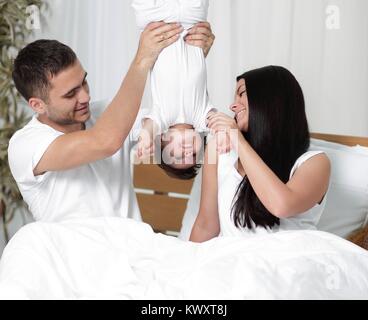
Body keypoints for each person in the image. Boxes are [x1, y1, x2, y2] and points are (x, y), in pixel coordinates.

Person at [8, 21, 214, 222]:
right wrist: (142, 60)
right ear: (37, 105)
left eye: (84, 82)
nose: (85, 97)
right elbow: (104, 142)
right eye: (71, 94)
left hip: (132, 249)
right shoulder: (26, 145)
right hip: (77, 254)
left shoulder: (106, 114)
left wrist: (191, 59)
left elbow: (178, 118)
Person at [190, 66, 331, 242]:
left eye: (241, 94)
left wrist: (238, 140)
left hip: (285, 263)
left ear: (270, 100)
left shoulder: (315, 162)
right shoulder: (217, 151)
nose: (233, 106)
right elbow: (205, 225)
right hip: (231, 263)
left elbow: (281, 206)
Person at [132, 0, 216, 180]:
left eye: (177, 155)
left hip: (156, 23)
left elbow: (149, 127)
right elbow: (219, 127)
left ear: (162, 140)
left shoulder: (162, 118)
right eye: (193, 155)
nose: (186, 152)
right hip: (191, 23)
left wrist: (146, 139)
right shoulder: (202, 116)